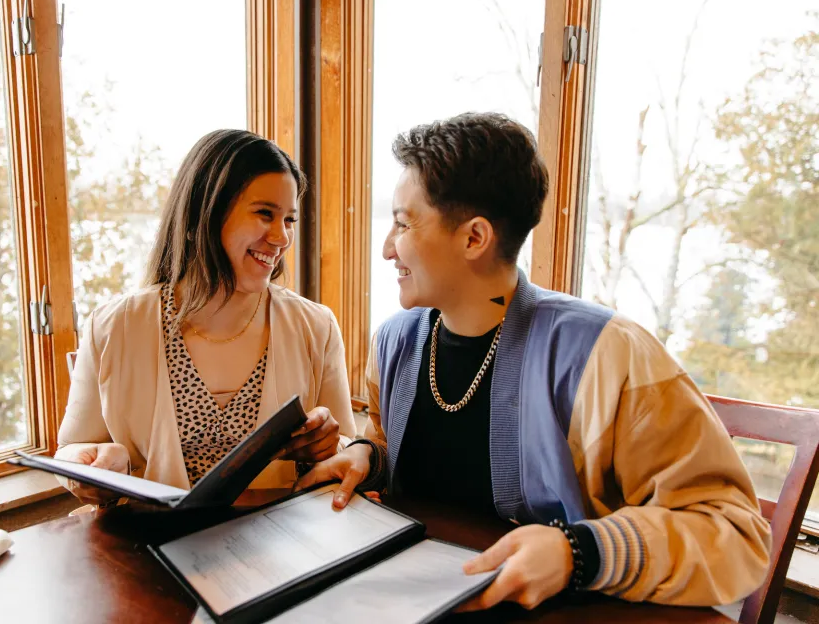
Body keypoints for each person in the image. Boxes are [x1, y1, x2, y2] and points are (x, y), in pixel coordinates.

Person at [296, 112, 771, 610]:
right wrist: (368, 460)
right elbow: (404, 453)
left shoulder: (609, 354)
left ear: (474, 238)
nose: (388, 248)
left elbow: (736, 534)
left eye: (402, 223)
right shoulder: (394, 341)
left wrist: (579, 551)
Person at [56, 129, 357, 507]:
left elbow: (349, 452)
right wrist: (91, 469)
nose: (281, 237)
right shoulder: (115, 326)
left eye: (290, 219)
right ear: (206, 211)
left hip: (280, 547)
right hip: (149, 544)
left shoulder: (316, 326)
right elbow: (69, 451)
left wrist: (332, 442)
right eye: (265, 214)